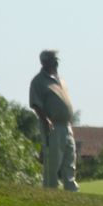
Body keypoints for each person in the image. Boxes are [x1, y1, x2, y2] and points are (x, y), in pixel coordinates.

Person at [29, 49, 79, 191]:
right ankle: (50, 192)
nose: (56, 63)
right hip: (52, 127)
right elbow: (35, 104)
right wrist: (46, 120)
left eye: (56, 60)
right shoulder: (38, 81)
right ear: (44, 62)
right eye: (53, 59)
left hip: (66, 126)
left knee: (70, 161)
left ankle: (71, 191)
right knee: (53, 164)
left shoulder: (60, 80)